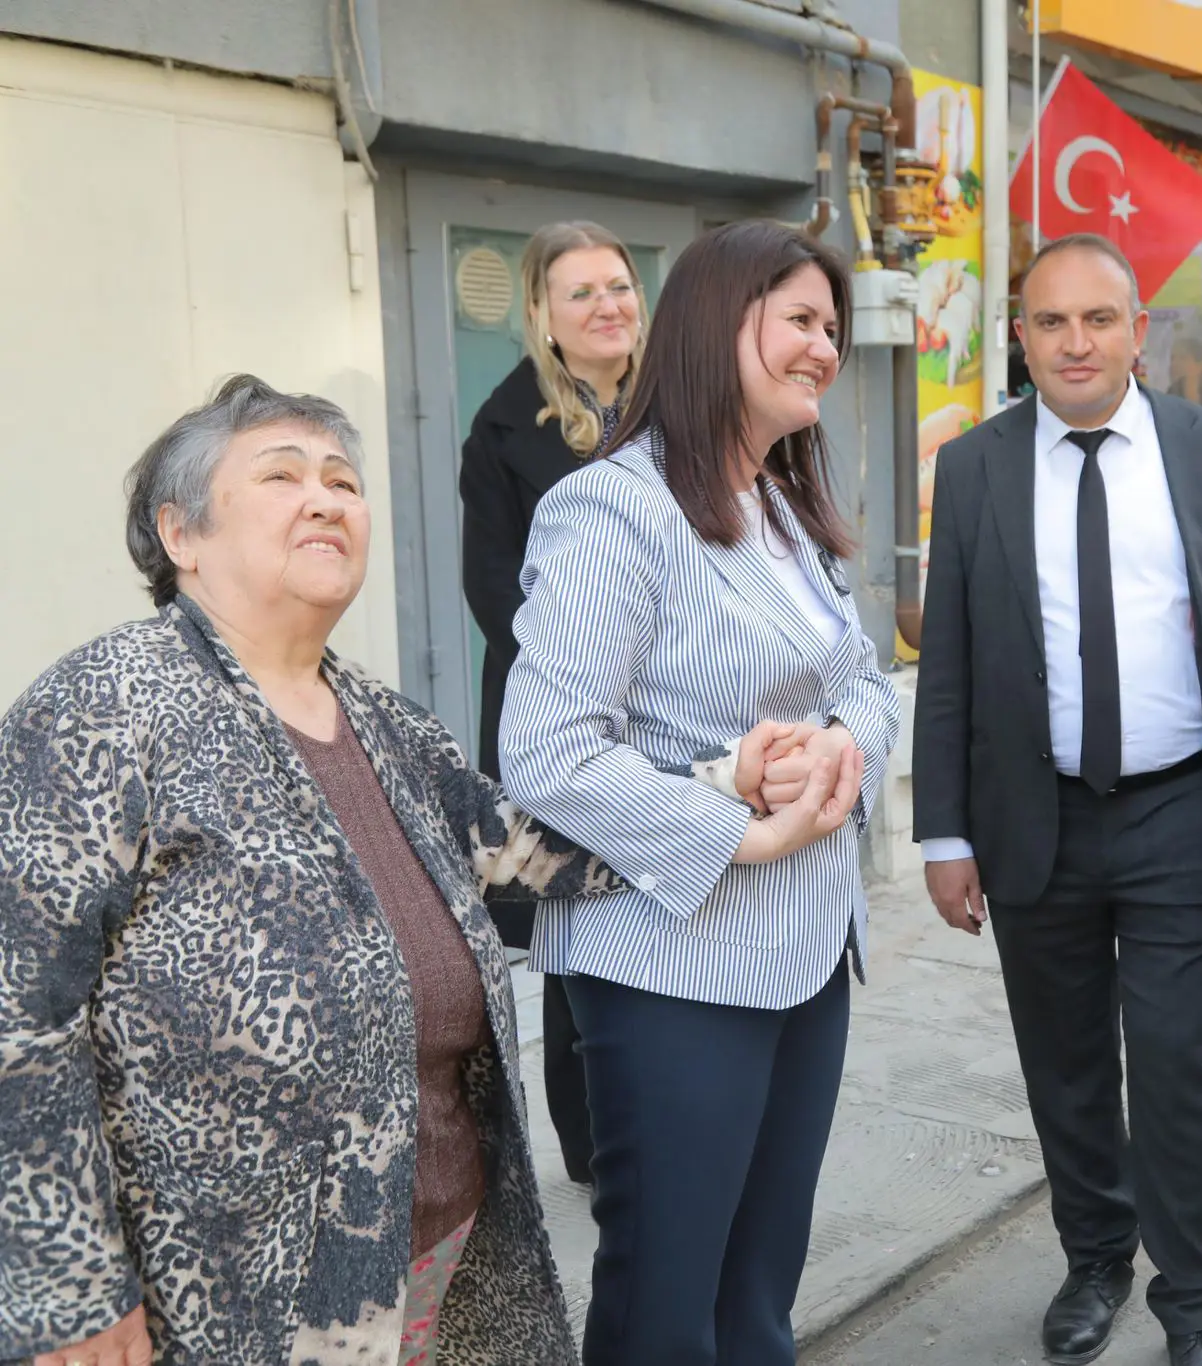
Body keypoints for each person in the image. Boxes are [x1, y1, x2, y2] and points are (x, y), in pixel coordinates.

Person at [0, 375, 618, 1365]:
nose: (326, 496)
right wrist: (67, 1286)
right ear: (181, 533)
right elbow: (20, 1013)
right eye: (281, 476)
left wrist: (725, 797)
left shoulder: (386, 723)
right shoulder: (99, 712)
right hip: (226, 1295)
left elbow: (528, 848)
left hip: (427, 1253)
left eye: (342, 478)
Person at [499, 220, 900, 1366]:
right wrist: (742, 825)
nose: (825, 346)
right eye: (801, 321)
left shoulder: (780, 506)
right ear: (717, 324)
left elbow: (866, 685)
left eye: (832, 326)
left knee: (759, 1293)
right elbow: (551, 749)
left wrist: (829, 744)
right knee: (667, 1309)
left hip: (808, 951)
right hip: (671, 963)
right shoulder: (613, 509)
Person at [914, 233, 1202, 1366]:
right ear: (1022, 339)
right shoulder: (979, 467)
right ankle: (1095, 1259)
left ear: (1139, 332)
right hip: (1031, 819)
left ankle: (1196, 1306)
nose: (1074, 341)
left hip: (1181, 813)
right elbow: (949, 664)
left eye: (1097, 319)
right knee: (1066, 1062)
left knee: (1179, 1063)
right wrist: (944, 831)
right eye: (1049, 321)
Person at [459, 219, 647, 1190]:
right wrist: (589, 670)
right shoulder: (503, 426)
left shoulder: (676, 404)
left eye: (617, 285)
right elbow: (493, 589)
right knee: (580, 926)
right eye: (581, 293)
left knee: (670, 905)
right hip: (563, 717)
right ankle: (592, 1143)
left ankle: (667, 1107)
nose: (608, 305)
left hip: (674, 711)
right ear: (542, 315)